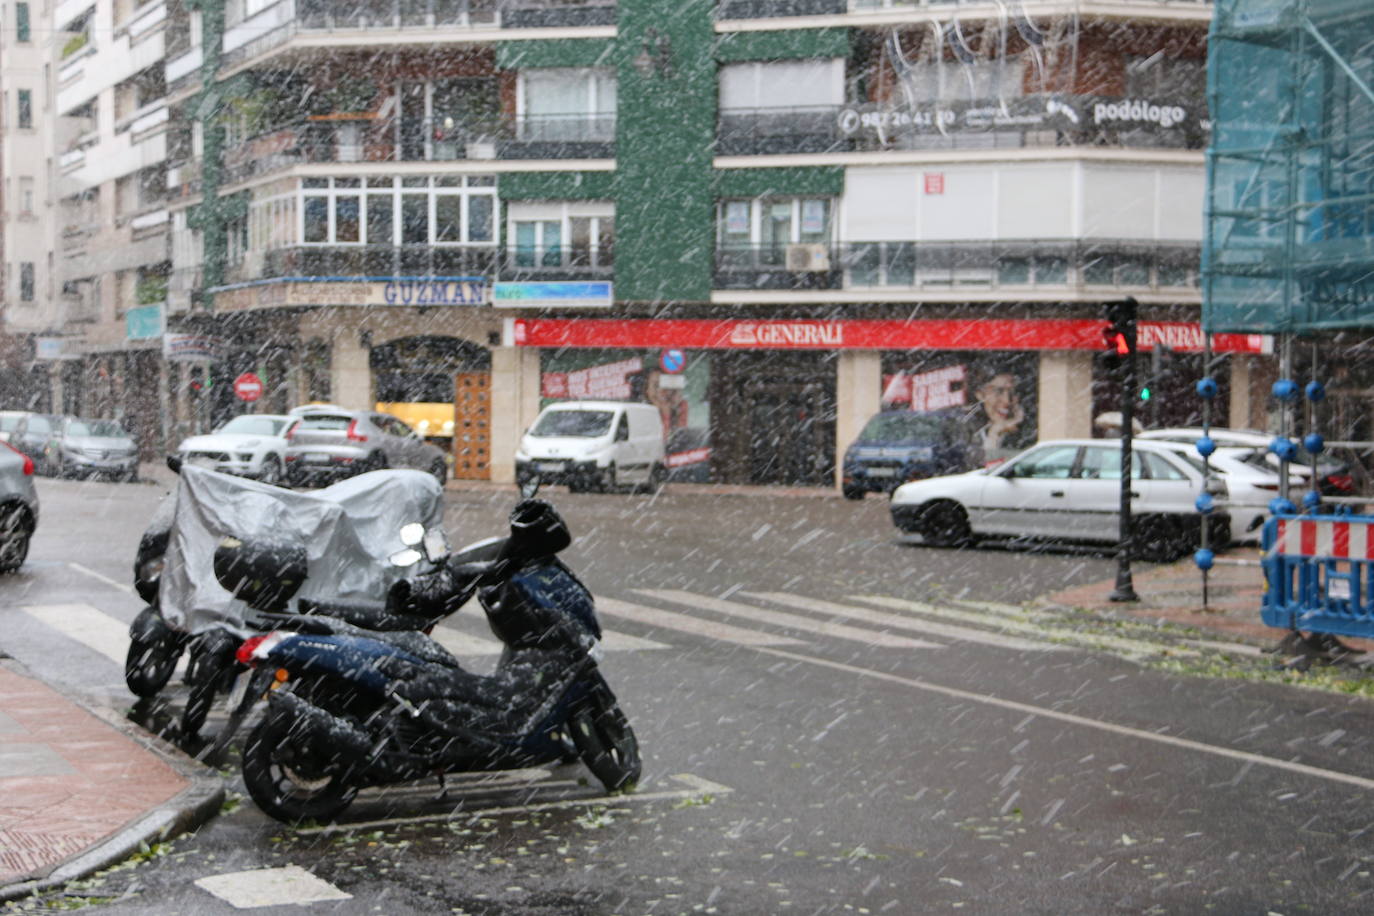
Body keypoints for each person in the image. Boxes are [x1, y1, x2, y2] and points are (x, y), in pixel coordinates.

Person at [971, 370, 1027, 456]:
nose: (1007, 400)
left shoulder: (1027, 433)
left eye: (1013, 392)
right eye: (998, 391)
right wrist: (994, 434)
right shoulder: (967, 432)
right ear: (980, 395)